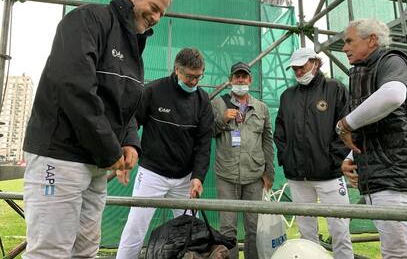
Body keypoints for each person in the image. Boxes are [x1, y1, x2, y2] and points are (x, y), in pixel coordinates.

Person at [21, 0, 172, 258]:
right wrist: (110, 149)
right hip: (60, 156)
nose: (156, 18)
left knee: (86, 250)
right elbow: (75, 88)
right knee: (50, 252)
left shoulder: (133, 45)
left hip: (96, 163)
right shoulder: (88, 19)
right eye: (154, 8)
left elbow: (123, 102)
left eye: (162, 13)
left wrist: (129, 142)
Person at [115, 48, 214, 259]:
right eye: (189, 76)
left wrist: (198, 177)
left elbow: (204, 144)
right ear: (177, 70)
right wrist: (124, 153)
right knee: (135, 229)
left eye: (198, 76)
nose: (194, 81)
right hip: (152, 174)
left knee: (190, 232)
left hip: (185, 179)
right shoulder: (153, 90)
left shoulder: (203, 101)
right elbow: (131, 122)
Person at [338, 18, 407, 259]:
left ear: (372, 40)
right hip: (387, 178)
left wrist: (344, 125)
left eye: (349, 41)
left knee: (401, 254)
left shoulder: (390, 60)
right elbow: (387, 125)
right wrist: (352, 157)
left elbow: (393, 96)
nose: (344, 48)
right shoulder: (365, 71)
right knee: (396, 251)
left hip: (396, 181)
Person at [273, 47, 354, 259]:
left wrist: (333, 161)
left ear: (315, 63)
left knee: (340, 231)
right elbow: (279, 132)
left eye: (302, 67)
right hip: (297, 176)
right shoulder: (287, 96)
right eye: (295, 69)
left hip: (330, 175)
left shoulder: (335, 89)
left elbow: (346, 128)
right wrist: (287, 159)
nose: (298, 72)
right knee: (306, 232)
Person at [211, 62, 275, 259]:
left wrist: (269, 173)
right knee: (227, 229)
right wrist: (222, 119)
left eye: (244, 76)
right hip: (226, 176)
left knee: (254, 229)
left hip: (254, 176)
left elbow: (267, 140)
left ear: (250, 80)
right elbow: (208, 132)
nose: (240, 80)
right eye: (237, 76)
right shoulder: (218, 103)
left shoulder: (261, 108)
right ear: (231, 80)